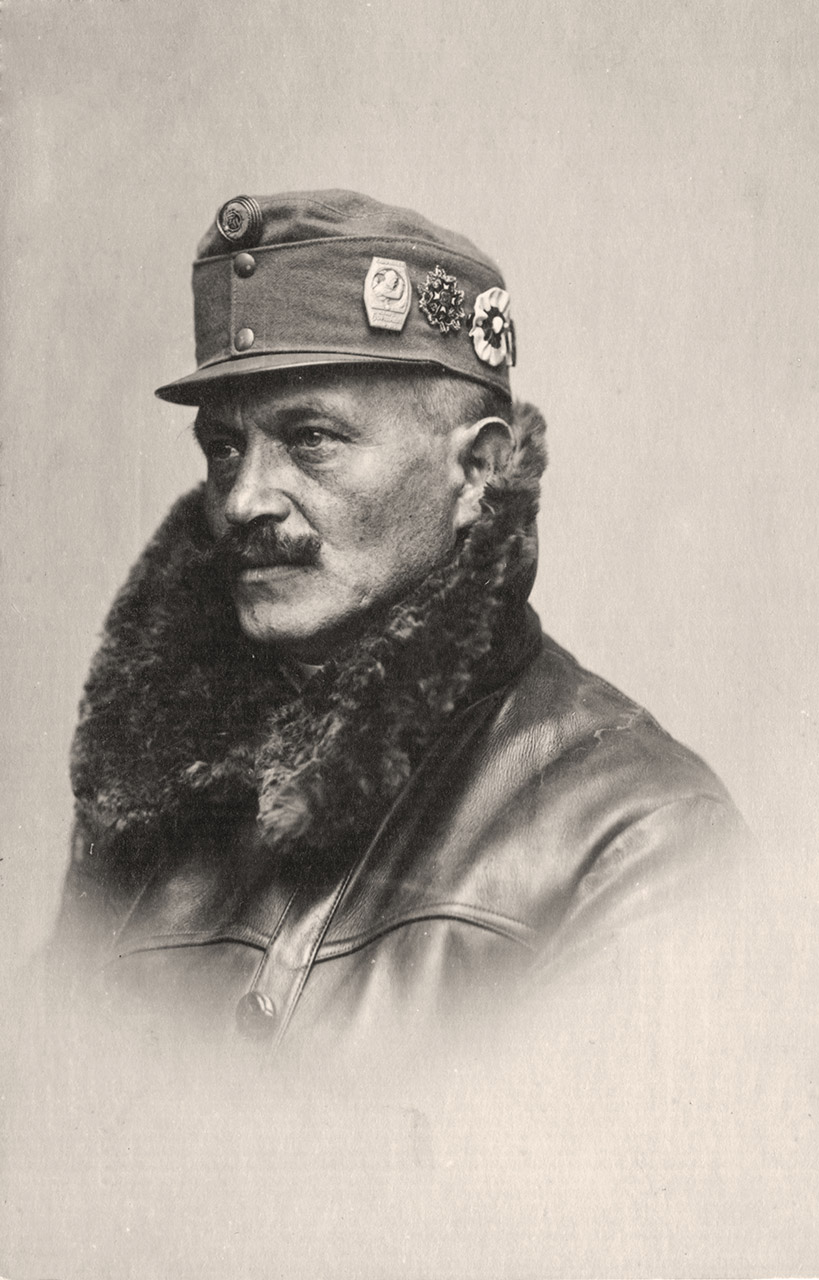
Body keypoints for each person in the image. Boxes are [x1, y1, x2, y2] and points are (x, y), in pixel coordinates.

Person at [52, 190, 746, 1057]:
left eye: (310, 438)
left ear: (478, 473)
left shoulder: (636, 835)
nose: (243, 500)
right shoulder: (148, 799)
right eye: (225, 448)